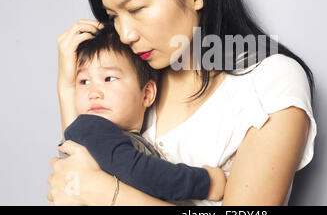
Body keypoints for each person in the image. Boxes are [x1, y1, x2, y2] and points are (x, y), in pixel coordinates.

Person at [48, 0, 317, 206]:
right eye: (113, 17)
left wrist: (106, 194)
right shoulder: (129, 81)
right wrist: (68, 85)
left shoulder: (269, 83)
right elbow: (77, 166)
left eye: (136, 9)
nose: (125, 34)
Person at [58, 24, 225, 202]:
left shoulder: (122, 138)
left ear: (146, 94)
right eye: (83, 81)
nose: (94, 92)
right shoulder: (90, 128)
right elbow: (141, 173)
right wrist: (206, 183)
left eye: (109, 78)